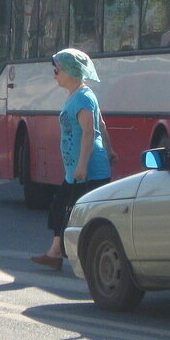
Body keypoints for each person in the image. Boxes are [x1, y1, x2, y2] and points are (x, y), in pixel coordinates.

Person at [31, 49, 113, 271]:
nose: (55, 74)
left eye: (57, 70)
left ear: (70, 71)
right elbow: (102, 124)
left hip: (88, 170)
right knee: (61, 208)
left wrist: (83, 165)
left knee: (83, 215)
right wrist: (111, 149)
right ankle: (55, 253)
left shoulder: (84, 97)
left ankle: (80, 259)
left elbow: (90, 131)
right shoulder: (76, 95)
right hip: (76, 170)